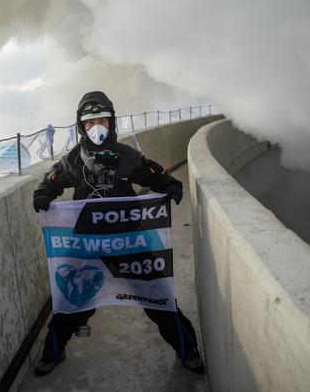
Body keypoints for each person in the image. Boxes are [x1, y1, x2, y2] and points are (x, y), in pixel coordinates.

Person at [32, 90, 205, 376]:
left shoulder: (128, 157)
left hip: (129, 239)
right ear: (80, 127)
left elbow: (154, 175)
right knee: (71, 301)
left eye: (102, 120)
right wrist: (42, 196)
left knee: (158, 295)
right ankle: (53, 353)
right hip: (87, 241)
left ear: (113, 122)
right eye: (89, 123)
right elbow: (50, 182)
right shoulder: (73, 161)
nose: (96, 128)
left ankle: (188, 351)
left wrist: (170, 185)